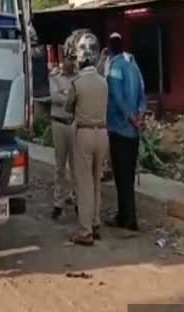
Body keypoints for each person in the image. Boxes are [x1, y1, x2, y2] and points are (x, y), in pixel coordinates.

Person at [65, 32, 108, 246]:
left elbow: (67, 107)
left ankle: (85, 230)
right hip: (103, 133)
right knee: (96, 182)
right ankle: (96, 222)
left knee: (84, 185)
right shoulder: (104, 82)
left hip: (83, 133)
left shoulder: (76, 83)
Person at [105, 32, 147, 231]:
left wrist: (130, 118)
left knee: (122, 177)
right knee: (128, 176)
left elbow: (117, 96)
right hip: (134, 132)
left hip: (119, 129)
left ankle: (127, 219)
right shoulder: (134, 66)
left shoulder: (114, 67)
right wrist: (139, 117)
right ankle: (126, 216)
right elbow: (142, 95)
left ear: (110, 49)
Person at [49, 46, 77, 220]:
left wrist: (65, 95)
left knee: (76, 167)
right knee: (60, 167)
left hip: (73, 124)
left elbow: (76, 97)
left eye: (73, 59)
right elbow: (54, 97)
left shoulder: (77, 79)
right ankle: (58, 202)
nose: (70, 62)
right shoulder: (55, 78)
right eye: (68, 58)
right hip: (58, 123)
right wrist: (70, 97)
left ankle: (76, 200)